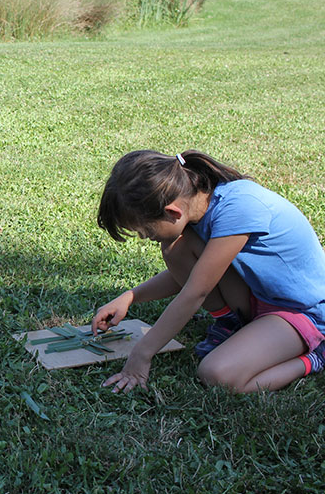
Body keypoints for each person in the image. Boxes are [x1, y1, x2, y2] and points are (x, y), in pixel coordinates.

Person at [93, 149, 325, 394]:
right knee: (176, 247)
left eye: (147, 231)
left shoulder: (238, 209)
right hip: (260, 296)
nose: (147, 238)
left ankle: (316, 358)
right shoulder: (199, 205)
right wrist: (130, 297)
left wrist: (142, 354)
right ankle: (231, 323)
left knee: (217, 374)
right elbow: (200, 274)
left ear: (173, 212)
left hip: (303, 311)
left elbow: (196, 291)